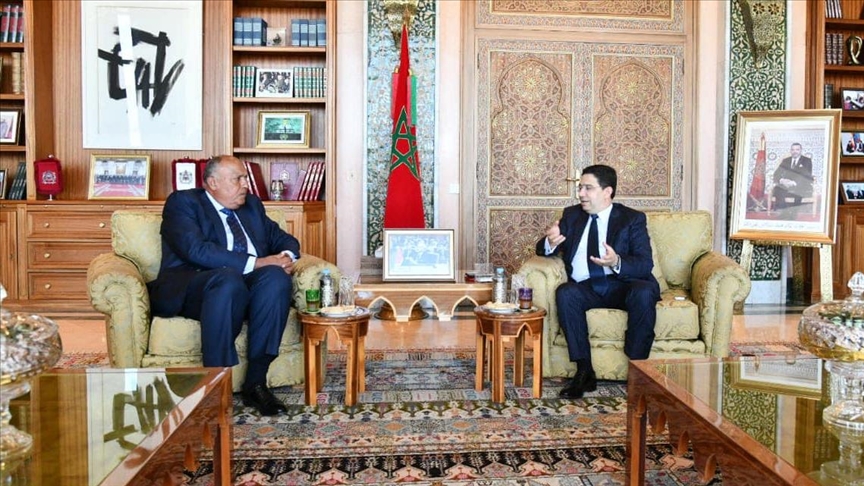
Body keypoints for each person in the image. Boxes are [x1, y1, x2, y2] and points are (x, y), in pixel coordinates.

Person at [147, 155, 300, 416]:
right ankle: (216, 384)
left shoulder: (251, 205)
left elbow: (284, 239)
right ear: (212, 183)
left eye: (245, 178)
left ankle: (256, 383)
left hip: (244, 287)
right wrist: (259, 262)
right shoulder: (183, 203)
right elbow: (196, 250)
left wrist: (285, 257)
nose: (245, 185)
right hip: (195, 286)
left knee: (275, 278)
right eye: (237, 179)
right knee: (228, 279)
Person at [536, 164, 660, 399]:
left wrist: (616, 261)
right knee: (566, 292)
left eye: (588, 188)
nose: (581, 193)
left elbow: (645, 264)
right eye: (580, 188)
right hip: (587, 287)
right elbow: (542, 248)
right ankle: (584, 372)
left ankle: (637, 369)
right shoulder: (572, 215)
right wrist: (550, 242)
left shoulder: (632, 219)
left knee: (644, 292)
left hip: (623, 285)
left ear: (607, 192)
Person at [771, 142, 813, 211]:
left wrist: (794, 182)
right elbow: (776, 173)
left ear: (801, 150)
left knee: (799, 190)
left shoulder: (807, 161)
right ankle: (783, 209)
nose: (795, 152)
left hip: (800, 184)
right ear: (790, 151)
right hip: (786, 184)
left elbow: (806, 175)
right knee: (777, 189)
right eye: (793, 150)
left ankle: (794, 210)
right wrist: (782, 180)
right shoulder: (786, 160)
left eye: (797, 149)